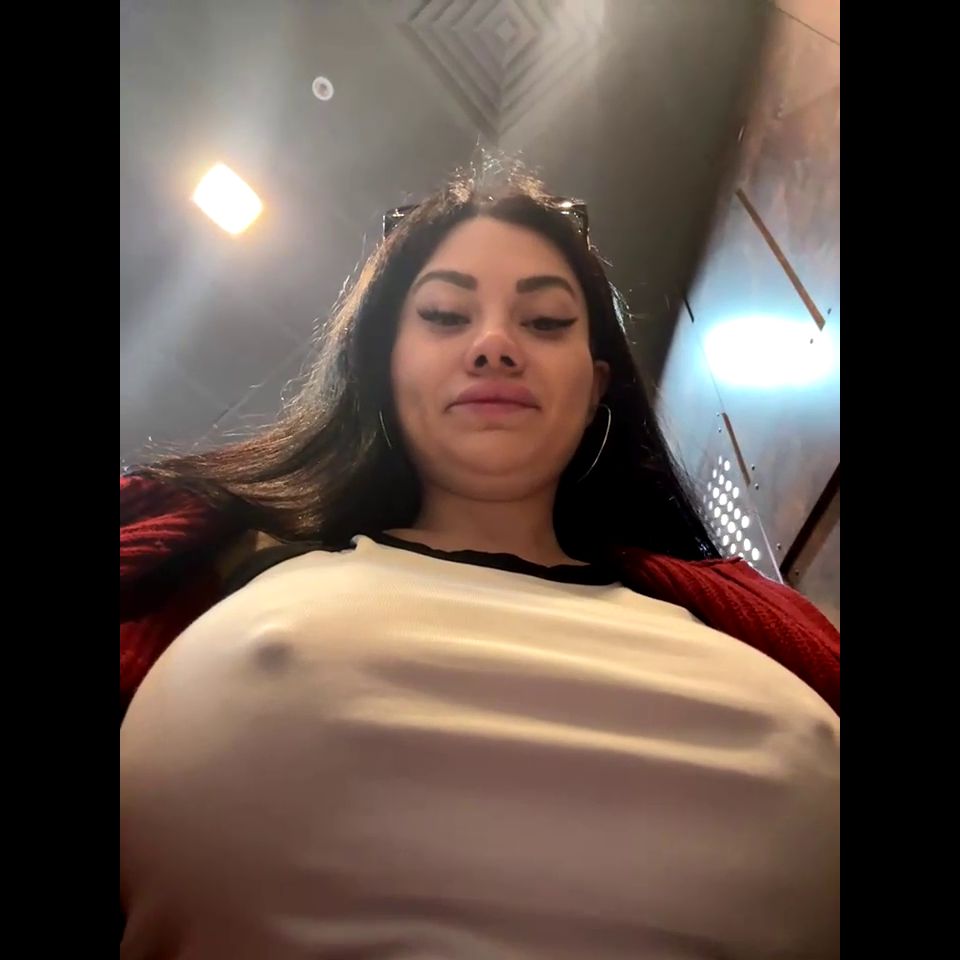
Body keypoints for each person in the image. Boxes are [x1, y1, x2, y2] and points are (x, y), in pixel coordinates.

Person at [120, 160, 840, 959]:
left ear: (596, 385)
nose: (495, 345)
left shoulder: (756, 623)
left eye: (546, 322)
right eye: (444, 315)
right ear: (384, 367)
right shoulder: (202, 565)